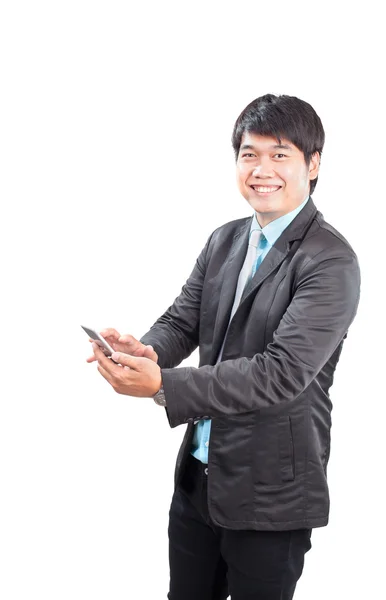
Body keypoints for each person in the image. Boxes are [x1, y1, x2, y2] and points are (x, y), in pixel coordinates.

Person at [87, 93, 361, 600]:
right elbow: (183, 320)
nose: (262, 169)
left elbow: (280, 373)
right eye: (249, 153)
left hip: (269, 494)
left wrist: (164, 385)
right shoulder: (225, 239)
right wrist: (144, 351)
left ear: (313, 163)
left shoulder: (331, 261)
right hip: (198, 476)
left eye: (280, 154)